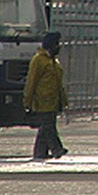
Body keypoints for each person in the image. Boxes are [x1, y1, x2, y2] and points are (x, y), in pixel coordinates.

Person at [24, 31, 69, 160]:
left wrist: (63, 100)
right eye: (56, 44)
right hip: (42, 101)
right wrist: (28, 100)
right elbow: (32, 81)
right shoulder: (39, 60)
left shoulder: (54, 61)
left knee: (45, 127)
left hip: (53, 101)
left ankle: (40, 153)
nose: (58, 47)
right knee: (49, 127)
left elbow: (59, 84)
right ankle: (56, 148)